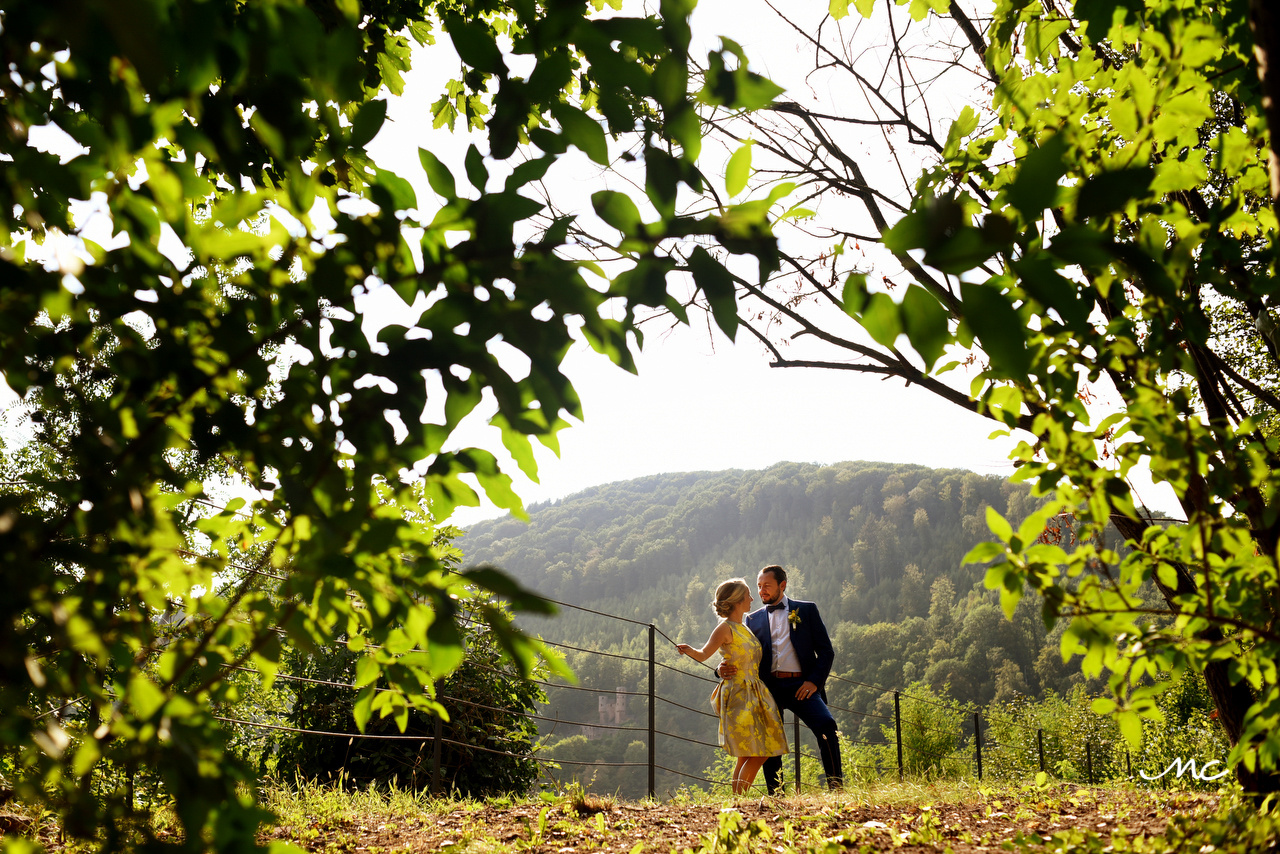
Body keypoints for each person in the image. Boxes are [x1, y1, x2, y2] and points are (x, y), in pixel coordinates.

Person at [718, 565, 843, 793]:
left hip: (802, 685)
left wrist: (814, 681)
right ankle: (777, 796)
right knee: (769, 741)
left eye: (767, 586)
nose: (761, 591)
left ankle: (836, 788)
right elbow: (736, 650)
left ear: (782, 585)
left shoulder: (806, 611)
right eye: (759, 586)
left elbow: (826, 651)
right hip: (766, 688)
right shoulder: (751, 619)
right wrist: (720, 669)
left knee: (827, 725)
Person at [677, 577, 787, 795]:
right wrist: (689, 650)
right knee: (760, 751)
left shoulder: (743, 627)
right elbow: (704, 654)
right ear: (738, 600)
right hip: (739, 693)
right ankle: (740, 799)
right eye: (748, 595)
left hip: (754, 691)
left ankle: (738, 801)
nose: (752, 598)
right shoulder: (725, 628)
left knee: (748, 753)